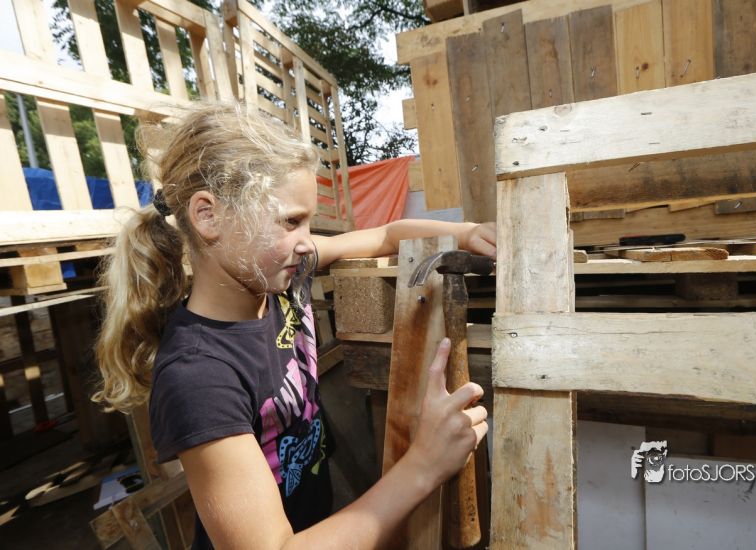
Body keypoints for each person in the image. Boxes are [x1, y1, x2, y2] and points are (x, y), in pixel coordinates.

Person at [94, 102, 495, 549]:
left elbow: (384, 235)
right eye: (291, 221)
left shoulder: (281, 273)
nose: (308, 242)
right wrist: (424, 464)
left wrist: (466, 232)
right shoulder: (198, 376)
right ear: (208, 216)